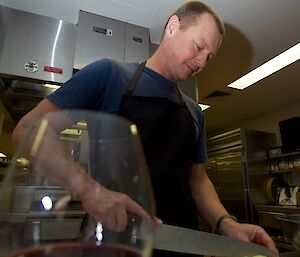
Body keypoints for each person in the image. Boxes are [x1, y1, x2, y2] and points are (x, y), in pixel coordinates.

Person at [12, 1, 279, 256]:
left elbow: (198, 181)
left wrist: (227, 224)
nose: (201, 63)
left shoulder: (194, 112)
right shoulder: (109, 75)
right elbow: (27, 131)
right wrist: (90, 191)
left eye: (209, 57)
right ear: (173, 27)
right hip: (114, 242)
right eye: (198, 47)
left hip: (180, 245)